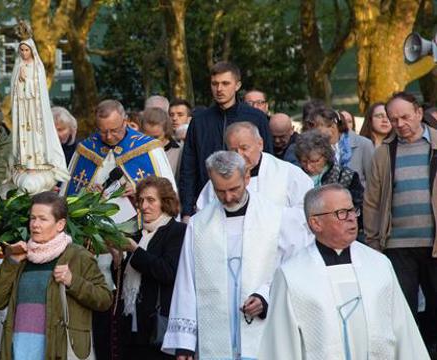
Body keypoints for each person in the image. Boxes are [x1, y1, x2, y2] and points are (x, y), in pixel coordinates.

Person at [163, 151, 310, 359]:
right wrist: (185, 343)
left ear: (247, 178)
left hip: (263, 333)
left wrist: (266, 296)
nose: (228, 197)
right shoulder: (200, 224)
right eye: (220, 191)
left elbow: (295, 267)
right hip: (214, 337)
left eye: (234, 188)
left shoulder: (277, 218)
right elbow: (187, 282)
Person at [259, 184, 430, 359]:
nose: (352, 218)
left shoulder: (379, 265)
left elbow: (404, 331)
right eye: (341, 213)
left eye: (352, 210)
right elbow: (281, 345)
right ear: (315, 223)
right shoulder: (292, 276)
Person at [0, 192, 113, 360]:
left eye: (43, 219)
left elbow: (104, 299)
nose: (35, 225)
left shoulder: (78, 256)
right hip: (18, 350)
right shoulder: (21, 256)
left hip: (59, 350)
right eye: (32, 218)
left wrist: (72, 281)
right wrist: (10, 263)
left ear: (60, 224)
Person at [363, 91, 437, 339]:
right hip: (396, 245)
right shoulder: (384, 152)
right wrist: (373, 241)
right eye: (393, 119)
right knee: (403, 312)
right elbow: (372, 201)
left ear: (418, 113)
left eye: (405, 117)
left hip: (435, 244)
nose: (399, 124)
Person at [178, 61, 273, 219]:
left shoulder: (257, 118)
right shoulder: (199, 121)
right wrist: (187, 211)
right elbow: (188, 168)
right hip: (207, 204)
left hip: (251, 204)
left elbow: (269, 162)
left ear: (237, 85)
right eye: (215, 84)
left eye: (225, 83)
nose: (219, 89)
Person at [115, 176, 185, 359]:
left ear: (166, 202)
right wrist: (116, 260)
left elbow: (168, 272)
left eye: (151, 200)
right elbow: (124, 281)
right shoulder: (138, 234)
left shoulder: (177, 231)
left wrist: (135, 251)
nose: (144, 206)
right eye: (141, 200)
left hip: (157, 327)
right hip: (132, 327)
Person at [61, 99, 176, 196]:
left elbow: (167, 192)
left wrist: (139, 190)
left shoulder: (149, 148)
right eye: (103, 131)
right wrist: (89, 194)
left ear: (125, 121)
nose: (109, 137)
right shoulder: (86, 150)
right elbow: (70, 195)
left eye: (114, 130)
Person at [196, 122, 312, 213]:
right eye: (233, 150)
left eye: (244, 148)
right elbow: (204, 213)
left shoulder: (288, 173)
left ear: (260, 144)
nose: (239, 155)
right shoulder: (220, 178)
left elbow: (306, 210)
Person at [9, 24, 69, 194]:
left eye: (26, 50)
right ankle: (23, 163)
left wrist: (26, 81)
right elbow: (14, 89)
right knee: (23, 136)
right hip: (22, 109)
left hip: (35, 111)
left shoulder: (37, 67)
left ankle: (37, 162)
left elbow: (38, 89)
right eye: (21, 50)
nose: (23, 53)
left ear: (31, 50)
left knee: (36, 135)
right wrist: (18, 80)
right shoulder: (18, 66)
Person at [305, 108, 375, 190]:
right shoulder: (314, 147)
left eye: (316, 127)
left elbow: (373, 180)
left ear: (332, 126)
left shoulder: (363, 144)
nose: (312, 132)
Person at [140, 108, 181, 179]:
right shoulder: (136, 151)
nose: (151, 142)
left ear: (166, 131)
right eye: (147, 138)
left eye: (156, 137)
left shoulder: (179, 151)